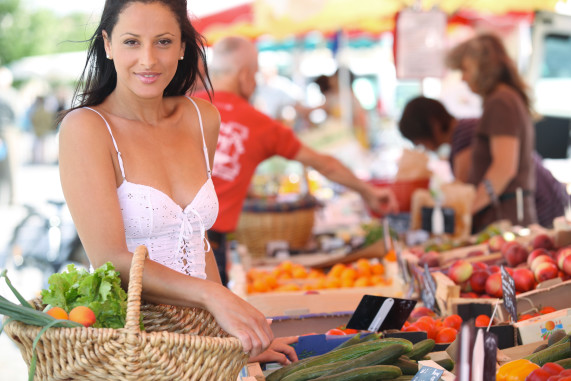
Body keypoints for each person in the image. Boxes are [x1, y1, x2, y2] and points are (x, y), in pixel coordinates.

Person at [57, 0, 297, 365]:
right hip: (135, 350)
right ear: (107, 44)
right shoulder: (86, 129)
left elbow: (196, 239)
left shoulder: (203, 118)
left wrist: (234, 335)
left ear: (183, 47)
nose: (149, 60)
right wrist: (215, 298)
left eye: (164, 41)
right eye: (132, 42)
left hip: (203, 350)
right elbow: (111, 260)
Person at [195, 36, 398, 286]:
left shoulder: (183, 108)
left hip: (162, 239)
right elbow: (325, 165)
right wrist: (369, 193)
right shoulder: (260, 125)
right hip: (207, 244)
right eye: (256, 75)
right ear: (245, 75)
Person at [399, 96, 569, 229]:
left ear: (432, 125)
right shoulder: (466, 129)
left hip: (537, 203)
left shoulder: (465, 135)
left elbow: (466, 193)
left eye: (418, 141)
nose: (422, 147)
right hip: (541, 197)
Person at [442, 33, 538, 232]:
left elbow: (504, 168)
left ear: (483, 68)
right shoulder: (505, 98)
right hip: (508, 216)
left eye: (465, 70)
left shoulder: (501, 101)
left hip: (505, 220)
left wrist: (467, 211)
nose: (463, 78)